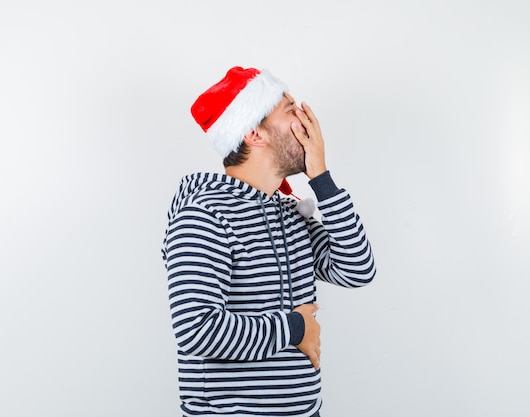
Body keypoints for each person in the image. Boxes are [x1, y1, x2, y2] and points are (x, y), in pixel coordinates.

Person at [161, 66, 376, 417]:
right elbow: (197, 329)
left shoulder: (290, 212)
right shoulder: (205, 214)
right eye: (291, 110)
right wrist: (295, 327)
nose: (307, 123)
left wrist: (321, 178)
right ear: (253, 134)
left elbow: (357, 270)